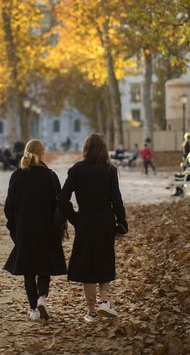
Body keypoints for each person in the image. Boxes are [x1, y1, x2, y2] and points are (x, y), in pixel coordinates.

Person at [57, 133, 128, 323]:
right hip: (105, 221)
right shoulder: (110, 170)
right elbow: (117, 200)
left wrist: (74, 218)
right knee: (105, 259)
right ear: (103, 149)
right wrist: (122, 222)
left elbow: (62, 198)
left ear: (86, 149)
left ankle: (91, 312)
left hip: (85, 221)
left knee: (87, 264)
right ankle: (105, 301)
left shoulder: (77, 170)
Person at [3, 139, 67, 322]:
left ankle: (34, 310)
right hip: (46, 230)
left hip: (25, 230)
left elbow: (9, 208)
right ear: (42, 153)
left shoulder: (17, 176)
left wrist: (15, 228)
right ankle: (42, 298)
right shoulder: (50, 176)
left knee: (29, 270)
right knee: (44, 267)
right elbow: (60, 205)